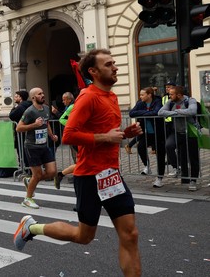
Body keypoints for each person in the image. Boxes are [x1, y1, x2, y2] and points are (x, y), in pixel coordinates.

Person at [13, 48, 143, 277]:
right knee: (83, 236)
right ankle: (31, 228)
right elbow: (69, 135)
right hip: (90, 176)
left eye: (114, 63)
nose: (115, 67)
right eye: (109, 64)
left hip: (111, 176)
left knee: (130, 235)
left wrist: (124, 133)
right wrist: (107, 137)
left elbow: (105, 132)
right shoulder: (88, 97)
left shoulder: (111, 96)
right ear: (93, 71)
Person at [15, 87, 58, 209]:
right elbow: (18, 128)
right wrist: (34, 125)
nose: (43, 95)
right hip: (32, 146)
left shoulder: (46, 108)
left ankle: (30, 181)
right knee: (37, 175)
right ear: (33, 97)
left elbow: (47, 123)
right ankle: (27, 199)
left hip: (44, 145)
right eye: (40, 94)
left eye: (43, 93)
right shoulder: (30, 111)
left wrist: (51, 135)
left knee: (52, 172)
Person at [158, 85, 200, 191]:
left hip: (190, 132)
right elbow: (160, 112)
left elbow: (192, 111)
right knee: (169, 145)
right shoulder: (171, 102)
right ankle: (177, 167)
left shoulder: (190, 100)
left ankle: (193, 180)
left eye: (171, 94)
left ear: (179, 95)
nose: (169, 96)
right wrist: (177, 113)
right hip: (177, 132)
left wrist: (176, 113)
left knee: (193, 157)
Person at [128, 87, 164, 177]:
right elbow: (131, 113)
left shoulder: (157, 101)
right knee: (140, 147)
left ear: (149, 95)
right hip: (146, 132)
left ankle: (160, 177)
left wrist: (141, 113)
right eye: (140, 94)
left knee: (160, 154)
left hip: (158, 132)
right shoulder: (140, 103)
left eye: (142, 95)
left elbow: (156, 112)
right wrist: (146, 112)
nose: (140, 96)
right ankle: (147, 166)